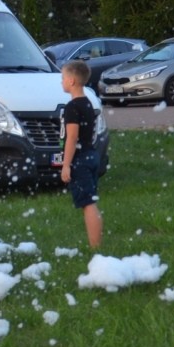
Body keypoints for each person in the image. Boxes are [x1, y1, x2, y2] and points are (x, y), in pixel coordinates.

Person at [59, 59, 103, 249]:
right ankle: (96, 245)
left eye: (62, 78)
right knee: (90, 201)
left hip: (80, 159)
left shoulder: (72, 107)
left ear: (71, 81)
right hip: (91, 155)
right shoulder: (88, 104)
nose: (61, 82)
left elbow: (72, 137)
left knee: (88, 204)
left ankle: (95, 248)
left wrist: (66, 164)